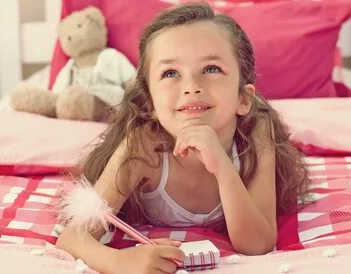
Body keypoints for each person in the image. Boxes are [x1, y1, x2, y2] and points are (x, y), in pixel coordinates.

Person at [56, 2, 309, 274]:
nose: (191, 87)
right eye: (170, 73)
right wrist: (120, 262)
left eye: (211, 69)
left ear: (244, 99)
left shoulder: (257, 133)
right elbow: (72, 237)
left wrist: (223, 167)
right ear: (150, 103)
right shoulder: (143, 146)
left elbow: (257, 245)